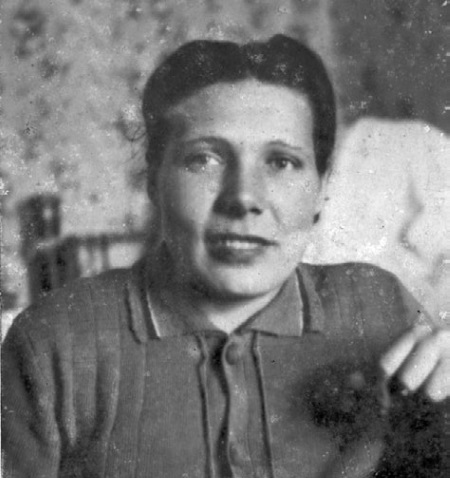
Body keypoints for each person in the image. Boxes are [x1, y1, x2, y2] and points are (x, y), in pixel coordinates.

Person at [2, 34, 449, 478]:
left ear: (321, 190)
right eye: (205, 159)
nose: (244, 198)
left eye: (282, 162)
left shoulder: (378, 304)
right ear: (153, 180)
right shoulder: (52, 345)